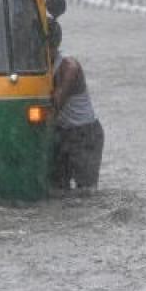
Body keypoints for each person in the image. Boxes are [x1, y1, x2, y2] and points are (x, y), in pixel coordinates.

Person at [48, 17, 104, 191]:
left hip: (84, 134)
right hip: (60, 133)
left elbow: (53, 107)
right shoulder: (36, 64)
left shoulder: (69, 67)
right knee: (57, 192)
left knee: (86, 193)